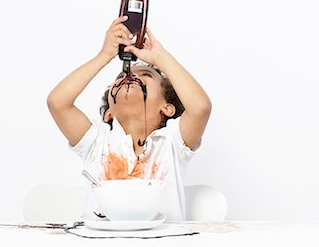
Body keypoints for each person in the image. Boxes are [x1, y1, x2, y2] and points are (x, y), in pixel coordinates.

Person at [47, 15, 212, 221]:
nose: (130, 76)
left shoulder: (173, 143)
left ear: (167, 108)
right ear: (109, 113)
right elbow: (58, 102)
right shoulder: (97, 143)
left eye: (145, 75)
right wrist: (105, 55)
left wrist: (160, 57)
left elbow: (200, 108)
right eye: (121, 77)